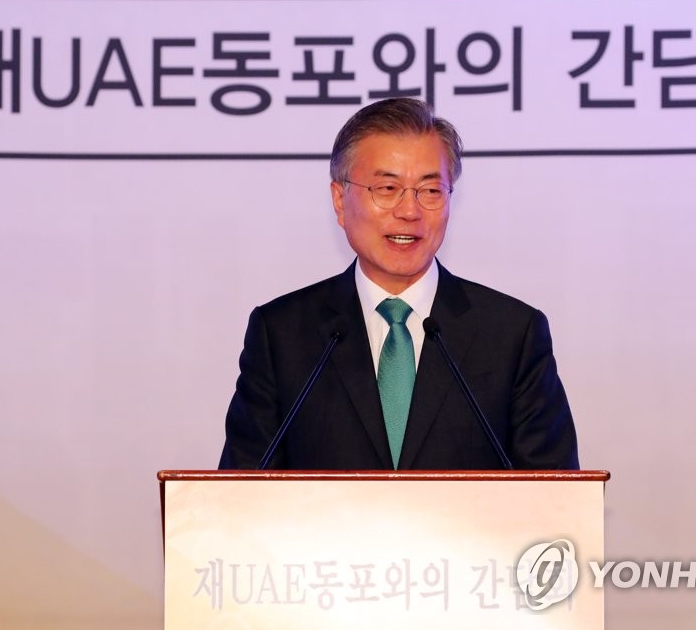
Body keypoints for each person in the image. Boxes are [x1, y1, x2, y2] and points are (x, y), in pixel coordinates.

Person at [218, 98, 578, 470]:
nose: (409, 211)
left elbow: (555, 494)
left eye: (431, 191)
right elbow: (241, 492)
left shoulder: (511, 335)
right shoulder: (281, 335)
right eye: (387, 188)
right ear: (340, 201)